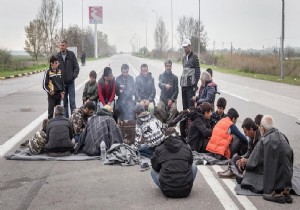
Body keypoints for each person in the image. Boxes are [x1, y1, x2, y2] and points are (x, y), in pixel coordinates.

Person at [240, 115, 294, 204]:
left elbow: (252, 162)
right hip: (287, 180)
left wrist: (245, 163)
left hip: (273, 180)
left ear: (263, 129)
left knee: (247, 175)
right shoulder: (283, 137)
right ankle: (284, 190)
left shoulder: (264, 140)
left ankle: (274, 192)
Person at [151, 127, 197, 198]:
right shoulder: (186, 146)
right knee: (194, 166)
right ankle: (184, 185)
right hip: (186, 191)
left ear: (165, 137)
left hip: (167, 191)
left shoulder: (159, 148)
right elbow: (190, 163)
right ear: (177, 135)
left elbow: (155, 168)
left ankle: (167, 185)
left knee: (152, 171)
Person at [134, 104, 165, 171]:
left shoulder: (139, 121)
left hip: (152, 147)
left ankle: (153, 157)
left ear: (137, 113)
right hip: (162, 143)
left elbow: (138, 138)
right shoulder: (152, 115)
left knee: (140, 149)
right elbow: (161, 126)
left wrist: (135, 149)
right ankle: (160, 154)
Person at [180, 39, 200, 138]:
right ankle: (185, 132)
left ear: (190, 46)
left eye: (186, 47)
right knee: (185, 108)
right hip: (184, 86)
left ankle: (192, 132)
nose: (185, 49)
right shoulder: (183, 58)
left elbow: (197, 72)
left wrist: (195, 85)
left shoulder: (195, 58)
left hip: (191, 87)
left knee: (191, 109)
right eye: (184, 47)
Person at [56, 40, 80, 118]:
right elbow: (55, 70)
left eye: (63, 45)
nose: (61, 47)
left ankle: (74, 119)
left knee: (72, 102)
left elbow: (76, 67)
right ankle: (66, 120)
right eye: (60, 45)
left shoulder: (71, 55)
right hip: (62, 85)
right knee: (64, 103)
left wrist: (73, 76)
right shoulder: (57, 56)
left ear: (66, 46)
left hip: (70, 83)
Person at [156, 59, 179, 124]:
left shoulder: (175, 77)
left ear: (171, 66)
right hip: (163, 99)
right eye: (167, 66)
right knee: (159, 108)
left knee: (174, 109)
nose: (168, 67)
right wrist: (165, 85)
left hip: (172, 99)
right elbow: (160, 84)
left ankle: (168, 124)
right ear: (165, 66)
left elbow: (176, 90)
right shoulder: (161, 76)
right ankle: (167, 119)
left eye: (170, 66)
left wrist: (171, 100)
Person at [43, 55, 65, 119]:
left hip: (58, 95)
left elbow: (62, 83)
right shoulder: (48, 72)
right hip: (51, 95)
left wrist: (63, 92)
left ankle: (57, 126)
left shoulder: (59, 71)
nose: (57, 64)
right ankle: (49, 127)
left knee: (59, 113)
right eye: (55, 63)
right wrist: (50, 91)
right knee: (50, 113)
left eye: (57, 63)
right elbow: (45, 85)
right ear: (51, 63)